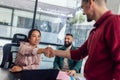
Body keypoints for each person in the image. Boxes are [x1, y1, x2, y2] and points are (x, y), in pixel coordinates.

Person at [45, 0, 120, 80]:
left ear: (90, 3)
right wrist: (54, 52)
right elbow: (79, 53)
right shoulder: (95, 30)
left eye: (82, 7)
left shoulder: (114, 22)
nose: (83, 13)